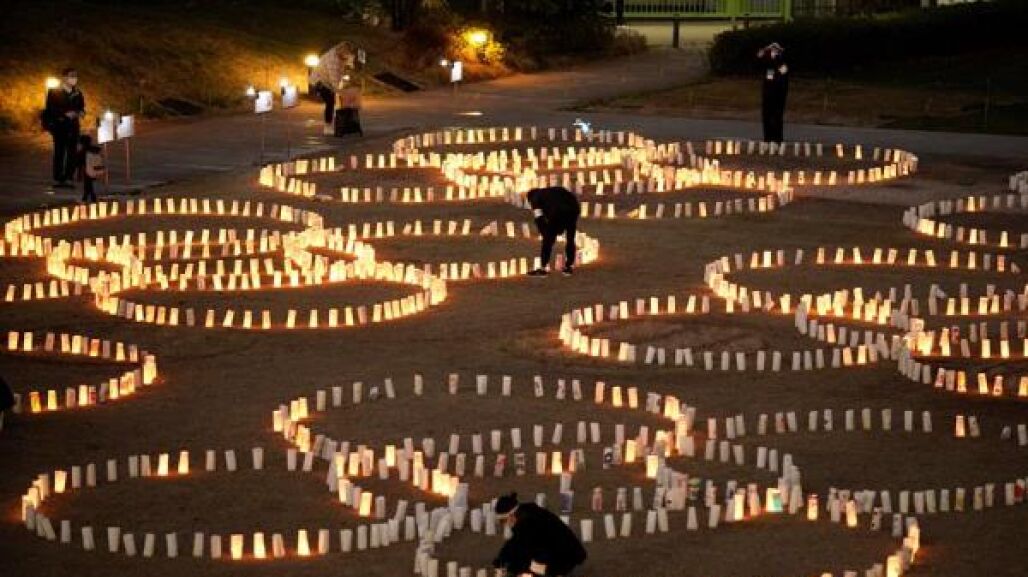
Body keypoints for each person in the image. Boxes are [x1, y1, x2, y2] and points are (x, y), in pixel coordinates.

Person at [492, 493, 587, 576]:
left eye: (503, 521)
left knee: (531, 566)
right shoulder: (525, 514)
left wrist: (511, 568)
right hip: (561, 552)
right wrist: (501, 560)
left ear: (511, 516)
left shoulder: (529, 522)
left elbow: (526, 549)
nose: (504, 524)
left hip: (565, 556)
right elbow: (514, 542)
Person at [43, 68, 86, 188]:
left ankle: (69, 176)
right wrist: (64, 114)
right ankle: (58, 177)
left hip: (73, 126)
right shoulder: (54, 92)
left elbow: (82, 107)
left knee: (72, 152)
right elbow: (50, 109)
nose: (74, 79)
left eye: (75, 76)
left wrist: (80, 113)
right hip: (60, 127)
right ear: (64, 77)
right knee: (59, 152)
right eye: (71, 76)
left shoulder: (78, 93)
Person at [525, 186, 580, 277]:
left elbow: (540, 220)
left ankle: (543, 268)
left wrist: (546, 234)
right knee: (570, 238)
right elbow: (571, 197)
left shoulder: (535, 199)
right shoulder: (551, 190)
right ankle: (569, 266)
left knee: (548, 240)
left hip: (557, 213)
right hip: (573, 209)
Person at [757, 42, 789, 143]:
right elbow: (768, 75)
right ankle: (768, 139)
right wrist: (765, 50)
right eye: (772, 50)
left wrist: (776, 59)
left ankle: (777, 140)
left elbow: (783, 71)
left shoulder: (783, 62)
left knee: (777, 117)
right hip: (768, 93)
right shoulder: (769, 64)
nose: (773, 52)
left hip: (779, 94)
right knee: (767, 116)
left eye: (775, 50)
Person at [76, 134, 104, 203]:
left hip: (87, 170)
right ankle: (88, 197)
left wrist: (79, 174)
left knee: (88, 184)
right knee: (89, 184)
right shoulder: (95, 150)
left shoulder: (82, 152)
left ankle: (88, 198)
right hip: (96, 169)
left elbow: (79, 164)